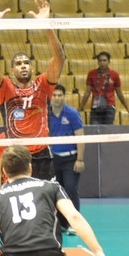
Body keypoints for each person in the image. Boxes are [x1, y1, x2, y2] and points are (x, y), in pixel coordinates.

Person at [0, 0, 64, 188]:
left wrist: (47, 25)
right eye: (18, 64)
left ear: (32, 68)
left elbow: (59, 58)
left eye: (26, 62)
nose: (23, 66)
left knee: (46, 201)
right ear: (12, 70)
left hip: (42, 155)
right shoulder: (5, 88)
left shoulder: (43, 84)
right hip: (16, 155)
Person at [48, 84, 86, 234]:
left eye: (60, 95)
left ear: (64, 97)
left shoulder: (71, 113)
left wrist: (80, 159)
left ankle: (74, 224)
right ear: (50, 97)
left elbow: (80, 136)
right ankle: (61, 224)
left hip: (71, 159)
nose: (57, 98)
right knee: (56, 192)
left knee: (70, 189)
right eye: (54, 95)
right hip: (54, 160)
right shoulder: (46, 114)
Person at [78, 51, 129, 125]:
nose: (102, 63)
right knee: (95, 129)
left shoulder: (114, 75)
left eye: (104, 60)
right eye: (100, 61)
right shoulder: (91, 74)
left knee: (107, 129)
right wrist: (80, 108)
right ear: (97, 62)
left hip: (109, 106)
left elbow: (119, 93)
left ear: (109, 62)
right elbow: (87, 92)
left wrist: (128, 108)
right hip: (96, 107)